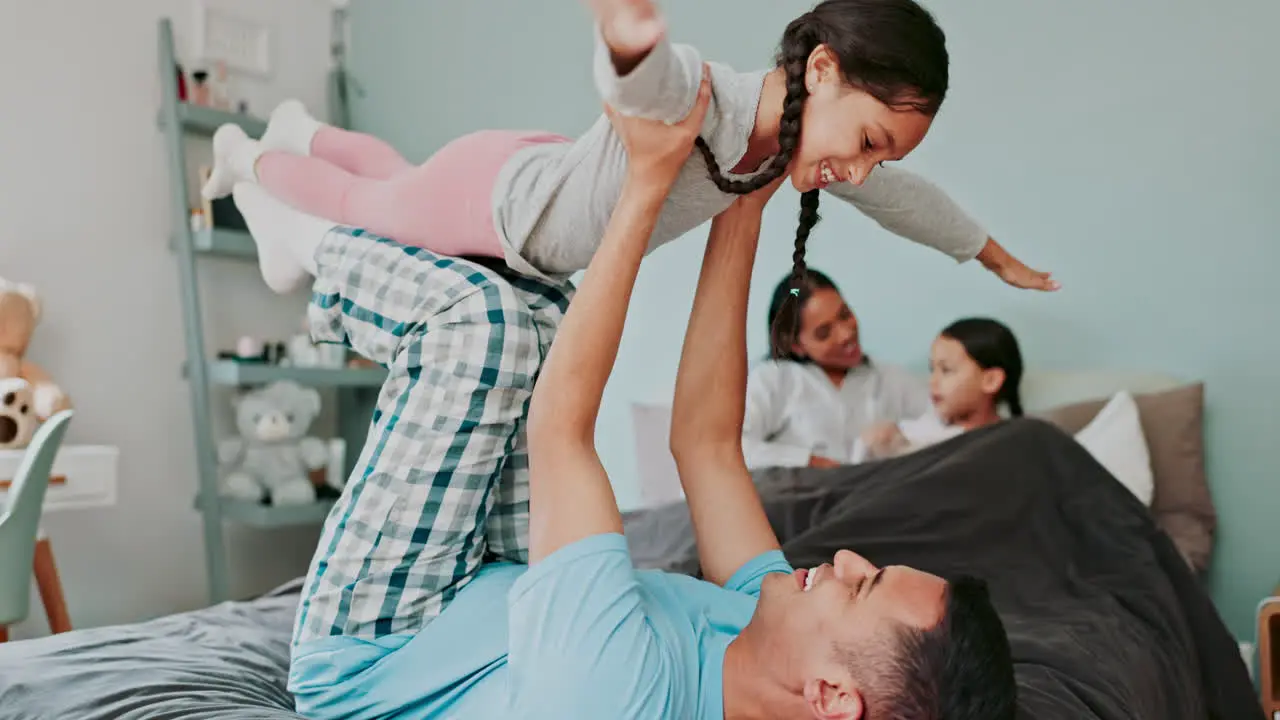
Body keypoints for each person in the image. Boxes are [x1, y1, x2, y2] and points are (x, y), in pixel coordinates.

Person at [241, 72, 1016, 719]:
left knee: (483, 328)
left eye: (862, 588)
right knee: (543, 302)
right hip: (494, 594)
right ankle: (327, 183)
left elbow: (562, 435)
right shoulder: (769, 626)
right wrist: (751, 188)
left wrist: (646, 184)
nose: (846, 558)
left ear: (832, 696)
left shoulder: (617, 696)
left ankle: (298, 237)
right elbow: (706, 443)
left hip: (380, 645)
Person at [201, 0, 1058, 298]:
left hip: (520, 173)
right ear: (824, 69)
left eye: (882, 158)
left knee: (394, 178)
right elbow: (645, 87)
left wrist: (992, 255)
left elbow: (907, 201)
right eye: (870, 142)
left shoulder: (794, 146)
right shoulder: (709, 99)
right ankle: (248, 159)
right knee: (366, 205)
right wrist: (627, 42)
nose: (862, 171)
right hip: (504, 204)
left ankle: (301, 129)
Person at [743, 268, 931, 469]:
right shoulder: (774, 380)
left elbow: (941, 423)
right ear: (795, 345)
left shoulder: (889, 378)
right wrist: (809, 461)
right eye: (824, 333)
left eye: (845, 315)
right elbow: (732, 448)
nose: (845, 335)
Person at [856, 317, 1024, 462]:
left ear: (991, 380)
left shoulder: (1015, 441)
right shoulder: (919, 433)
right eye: (932, 370)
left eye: (946, 370)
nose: (933, 382)